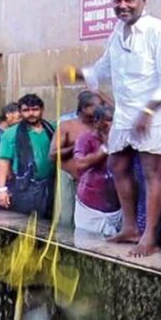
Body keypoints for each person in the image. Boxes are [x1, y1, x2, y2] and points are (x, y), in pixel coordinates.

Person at [67, 0, 161, 257]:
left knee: (151, 172)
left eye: (129, 0)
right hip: (125, 113)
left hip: (154, 114)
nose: (123, 6)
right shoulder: (118, 31)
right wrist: (74, 74)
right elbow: (103, 68)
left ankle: (149, 235)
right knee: (118, 163)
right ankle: (130, 227)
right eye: (117, 1)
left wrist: (147, 111)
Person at [0, 94, 55, 218]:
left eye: (35, 109)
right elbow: (3, 162)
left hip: (51, 186)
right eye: (26, 110)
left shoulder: (52, 129)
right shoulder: (11, 134)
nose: (31, 114)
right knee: (23, 226)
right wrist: (2, 190)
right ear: (20, 112)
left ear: (42, 110)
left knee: (47, 226)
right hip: (24, 187)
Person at [49, 91, 103, 227]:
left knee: (88, 222)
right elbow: (52, 155)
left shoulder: (102, 127)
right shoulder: (67, 125)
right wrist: (77, 147)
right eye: (97, 106)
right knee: (65, 219)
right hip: (68, 177)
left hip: (92, 181)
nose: (101, 109)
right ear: (84, 108)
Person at [72, 105, 122, 236]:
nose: (111, 124)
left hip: (117, 209)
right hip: (90, 209)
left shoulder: (122, 139)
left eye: (114, 120)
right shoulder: (85, 139)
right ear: (96, 122)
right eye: (108, 120)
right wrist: (104, 149)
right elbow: (79, 163)